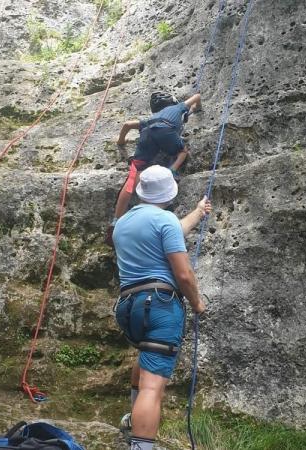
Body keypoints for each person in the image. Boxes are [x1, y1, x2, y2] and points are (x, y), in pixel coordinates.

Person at [112, 165, 208, 450]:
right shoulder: (165, 221)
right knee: (152, 387)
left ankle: (133, 420)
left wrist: (199, 211)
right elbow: (183, 275)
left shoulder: (123, 223)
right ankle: (140, 446)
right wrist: (198, 303)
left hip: (129, 306)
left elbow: (171, 228)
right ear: (170, 192)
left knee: (145, 358)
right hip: (160, 305)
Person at [113, 91, 202, 220]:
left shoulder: (150, 119)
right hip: (166, 131)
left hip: (147, 134)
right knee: (183, 151)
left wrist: (121, 141)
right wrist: (197, 107)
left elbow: (127, 125)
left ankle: (116, 220)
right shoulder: (177, 107)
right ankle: (172, 170)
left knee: (131, 181)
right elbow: (197, 97)